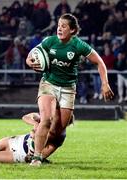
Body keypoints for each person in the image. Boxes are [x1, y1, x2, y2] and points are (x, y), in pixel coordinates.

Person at [26, 13, 114, 166]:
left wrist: (105, 84)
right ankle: (36, 157)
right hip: (48, 84)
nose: (59, 29)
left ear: (72, 30)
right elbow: (31, 54)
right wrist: (29, 61)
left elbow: (99, 62)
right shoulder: (50, 41)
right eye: (59, 25)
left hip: (68, 89)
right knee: (47, 119)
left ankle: (36, 146)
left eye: (64, 26)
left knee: (58, 131)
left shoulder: (79, 45)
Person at [0, 112, 72, 163]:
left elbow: (45, 152)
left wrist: (37, 158)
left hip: (23, 153)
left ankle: (8, 155)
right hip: (20, 140)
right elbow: (25, 117)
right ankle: (6, 153)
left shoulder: (59, 136)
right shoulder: (46, 117)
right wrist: (35, 123)